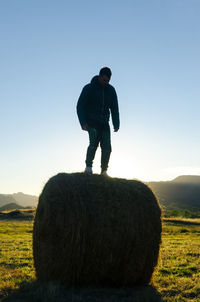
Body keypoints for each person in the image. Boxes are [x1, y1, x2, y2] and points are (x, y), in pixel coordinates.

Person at [77, 67, 120, 176]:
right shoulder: (88, 88)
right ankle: (88, 167)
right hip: (91, 122)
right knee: (93, 144)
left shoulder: (111, 90)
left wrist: (116, 123)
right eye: (104, 80)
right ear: (99, 77)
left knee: (107, 147)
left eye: (108, 81)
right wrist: (82, 122)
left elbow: (114, 108)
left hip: (104, 123)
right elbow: (80, 106)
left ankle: (104, 170)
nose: (106, 83)